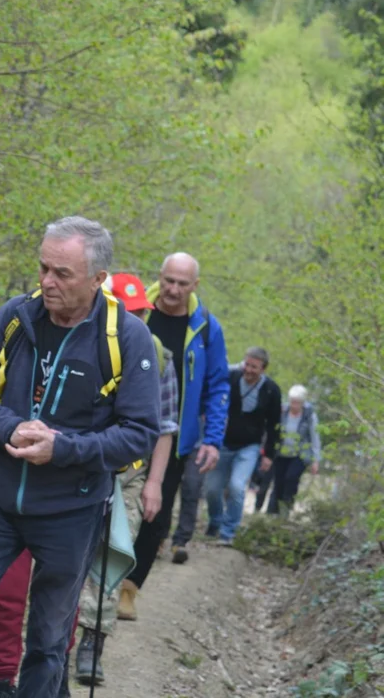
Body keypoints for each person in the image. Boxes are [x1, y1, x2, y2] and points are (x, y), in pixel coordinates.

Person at [0, 218, 160, 698]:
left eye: (62, 273)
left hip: (72, 508)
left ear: (97, 279)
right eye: (44, 267)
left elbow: (140, 434)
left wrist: (62, 448)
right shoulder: (16, 317)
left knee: (48, 639)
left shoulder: (126, 339)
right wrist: (8, 426)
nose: (47, 281)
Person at [0, 273, 179, 697]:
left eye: (144, 308)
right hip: (7, 487)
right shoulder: (26, 320)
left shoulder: (144, 348)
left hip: (96, 488)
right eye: (45, 268)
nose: (139, 315)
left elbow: (156, 428)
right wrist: (11, 428)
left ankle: (77, 660)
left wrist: (153, 481)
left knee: (62, 610)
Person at [122, 252, 229, 618]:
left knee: (157, 512)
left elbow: (217, 386)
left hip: (176, 435)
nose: (173, 289)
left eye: (183, 283)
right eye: (169, 280)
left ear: (194, 286)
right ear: (160, 276)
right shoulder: (136, 310)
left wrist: (212, 439)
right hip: (123, 427)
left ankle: (129, 589)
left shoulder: (205, 327)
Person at [206, 347, 281, 545]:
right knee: (212, 488)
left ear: (263, 369)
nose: (248, 370)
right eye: (246, 364)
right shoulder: (231, 378)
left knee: (237, 487)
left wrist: (269, 455)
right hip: (222, 442)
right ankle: (215, 521)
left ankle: (228, 532)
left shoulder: (271, 390)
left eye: (254, 367)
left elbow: (274, 426)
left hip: (249, 446)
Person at [267, 384, 322, 516]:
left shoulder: (309, 416)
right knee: (278, 482)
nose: (294, 405)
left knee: (291, 479)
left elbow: (315, 438)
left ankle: (285, 511)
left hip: (300, 454)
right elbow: (272, 430)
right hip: (281, 453)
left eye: (297, 403)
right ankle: (271, 514)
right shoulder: (282, 411)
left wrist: (315, 460)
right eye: (292, 402)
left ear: (303, 403)